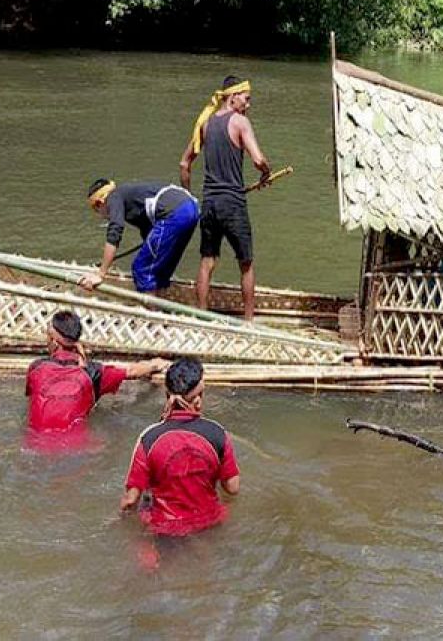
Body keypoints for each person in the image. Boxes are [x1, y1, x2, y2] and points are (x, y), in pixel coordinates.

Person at [178, 77, 271, 320]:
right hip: (232, 203)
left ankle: (201, 315)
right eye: (246, 99)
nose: (248, 105)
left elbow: (184, 163)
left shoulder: (206, 124)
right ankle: (249, 321)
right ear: (233, 96)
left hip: (209, 203)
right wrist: (266, 173)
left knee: (207, 261)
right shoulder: (240, 122)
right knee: (246, 263)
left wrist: (190, 198)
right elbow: (258, 160)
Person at [120, 357, 241, 536]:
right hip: (209, 524)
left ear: (166, 394)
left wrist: (120, 518)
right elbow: (233, 488)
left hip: (165, 530)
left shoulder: (149, 438)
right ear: (198, 400)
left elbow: (131, 500)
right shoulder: (217, 433)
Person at [25, 310, 167, 433]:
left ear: (53, 340)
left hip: (35, 440)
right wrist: (155, 365)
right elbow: (132, 371)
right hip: (78, 445)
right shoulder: (94, 373)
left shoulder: (36, 368)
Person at [79, 178, 199, 294]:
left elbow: (115, 231)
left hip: (174, 213)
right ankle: (162, 300)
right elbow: (148, 231)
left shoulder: (113, 197)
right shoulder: (129, 197)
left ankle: (150, 311)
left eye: (96, 210)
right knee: (160, 270)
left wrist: (101, 273)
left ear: (100, 203)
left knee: (141, 269)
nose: (100, 215)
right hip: (191, 208)